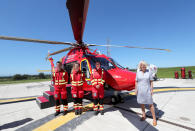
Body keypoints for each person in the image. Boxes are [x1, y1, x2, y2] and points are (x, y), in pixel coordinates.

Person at [135, 61, 157, 126]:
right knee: (142, 104)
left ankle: (154, 119)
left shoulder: (149, 72)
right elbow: (136, 81)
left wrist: (151, 90)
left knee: (151, 104)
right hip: (140, 90)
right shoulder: (138, 72)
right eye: (141, 66)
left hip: (147, 90)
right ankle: (143, 115)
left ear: (146, 66)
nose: (143, 67)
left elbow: (151, 82)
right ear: (140, 66)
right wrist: (136, 89)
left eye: (144, 65)